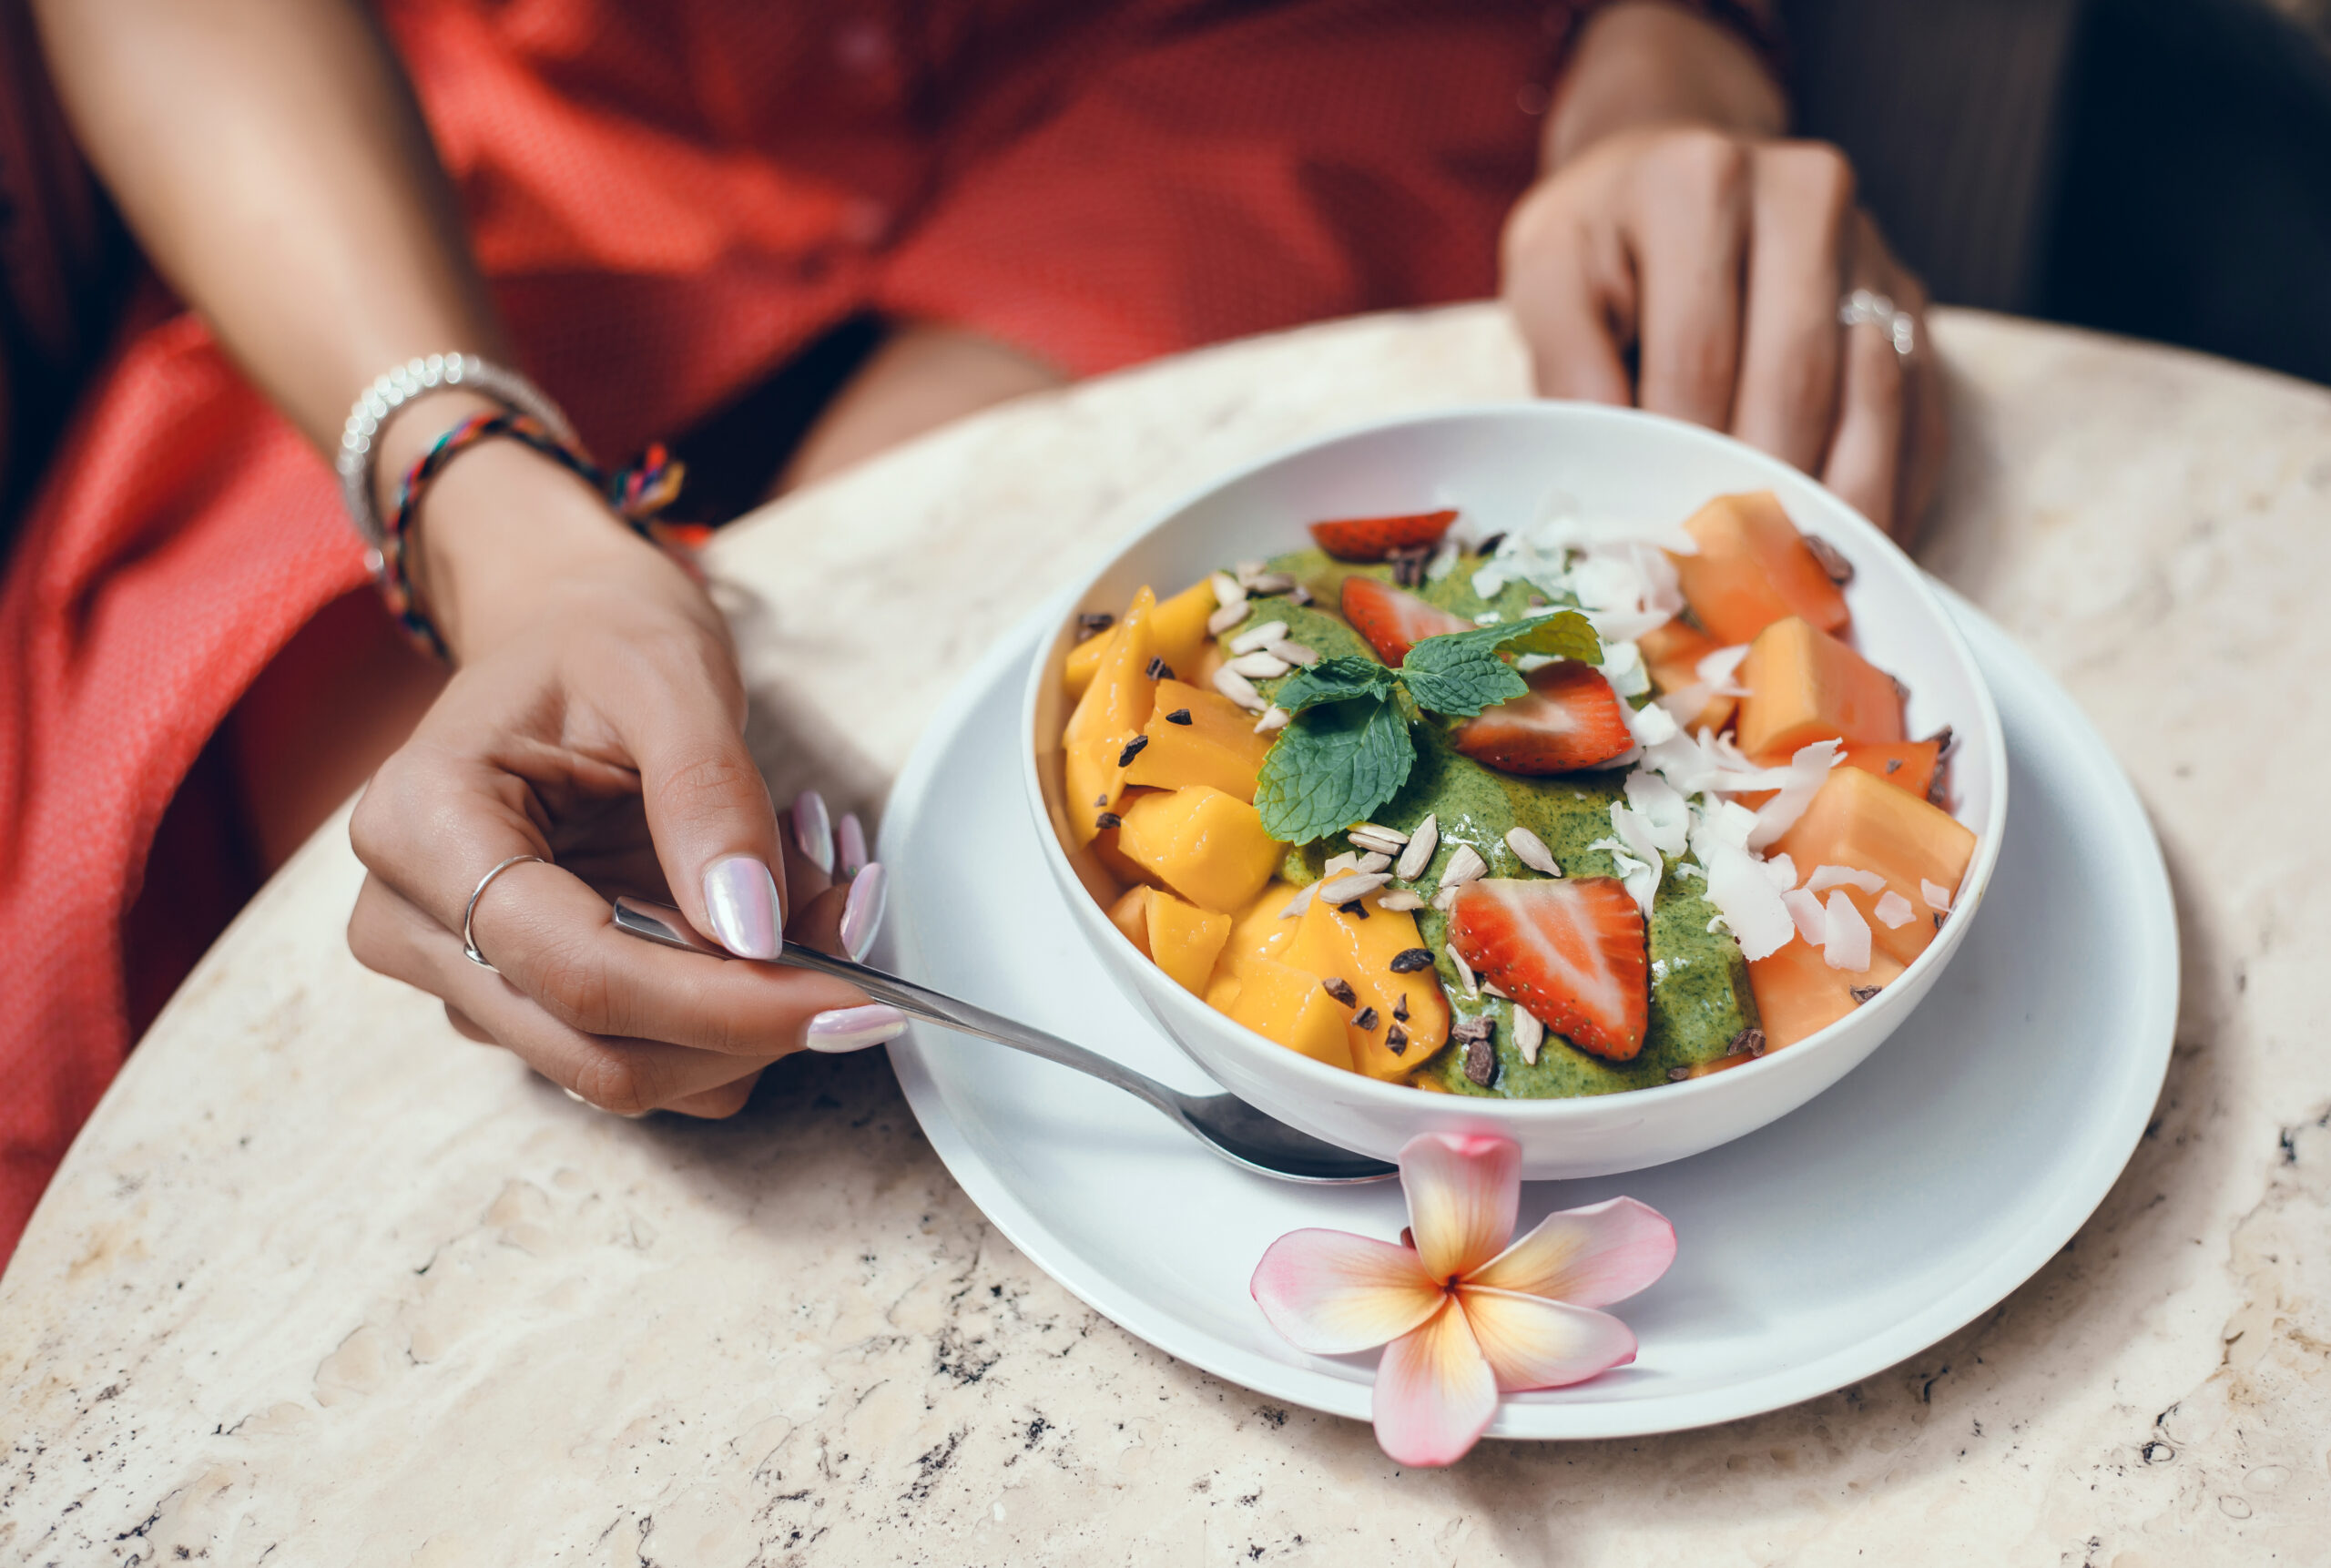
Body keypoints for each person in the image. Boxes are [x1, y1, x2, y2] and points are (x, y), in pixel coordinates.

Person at [0, 0, 1944, 1258]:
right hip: (450, 162)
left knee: (936, 738)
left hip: (1216, 68)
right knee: (425, 963)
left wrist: (1666, 51)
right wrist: (468, 488)